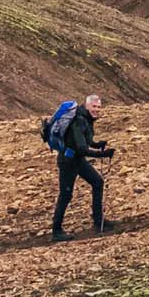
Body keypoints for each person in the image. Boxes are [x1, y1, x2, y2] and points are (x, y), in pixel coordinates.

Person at [48, 93, 115, 238]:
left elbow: (87, 141)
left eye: (99, 107)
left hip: (77, 160)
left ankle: (98, 220)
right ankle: (56, 231)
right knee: (66, 194)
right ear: (86, 105)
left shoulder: (86, 119)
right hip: (68, 161)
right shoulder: (78, 120)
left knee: (97, 182)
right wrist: (102, 154)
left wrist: (98, 145)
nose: (97, 110)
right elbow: (81, 148)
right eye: (94, 106)